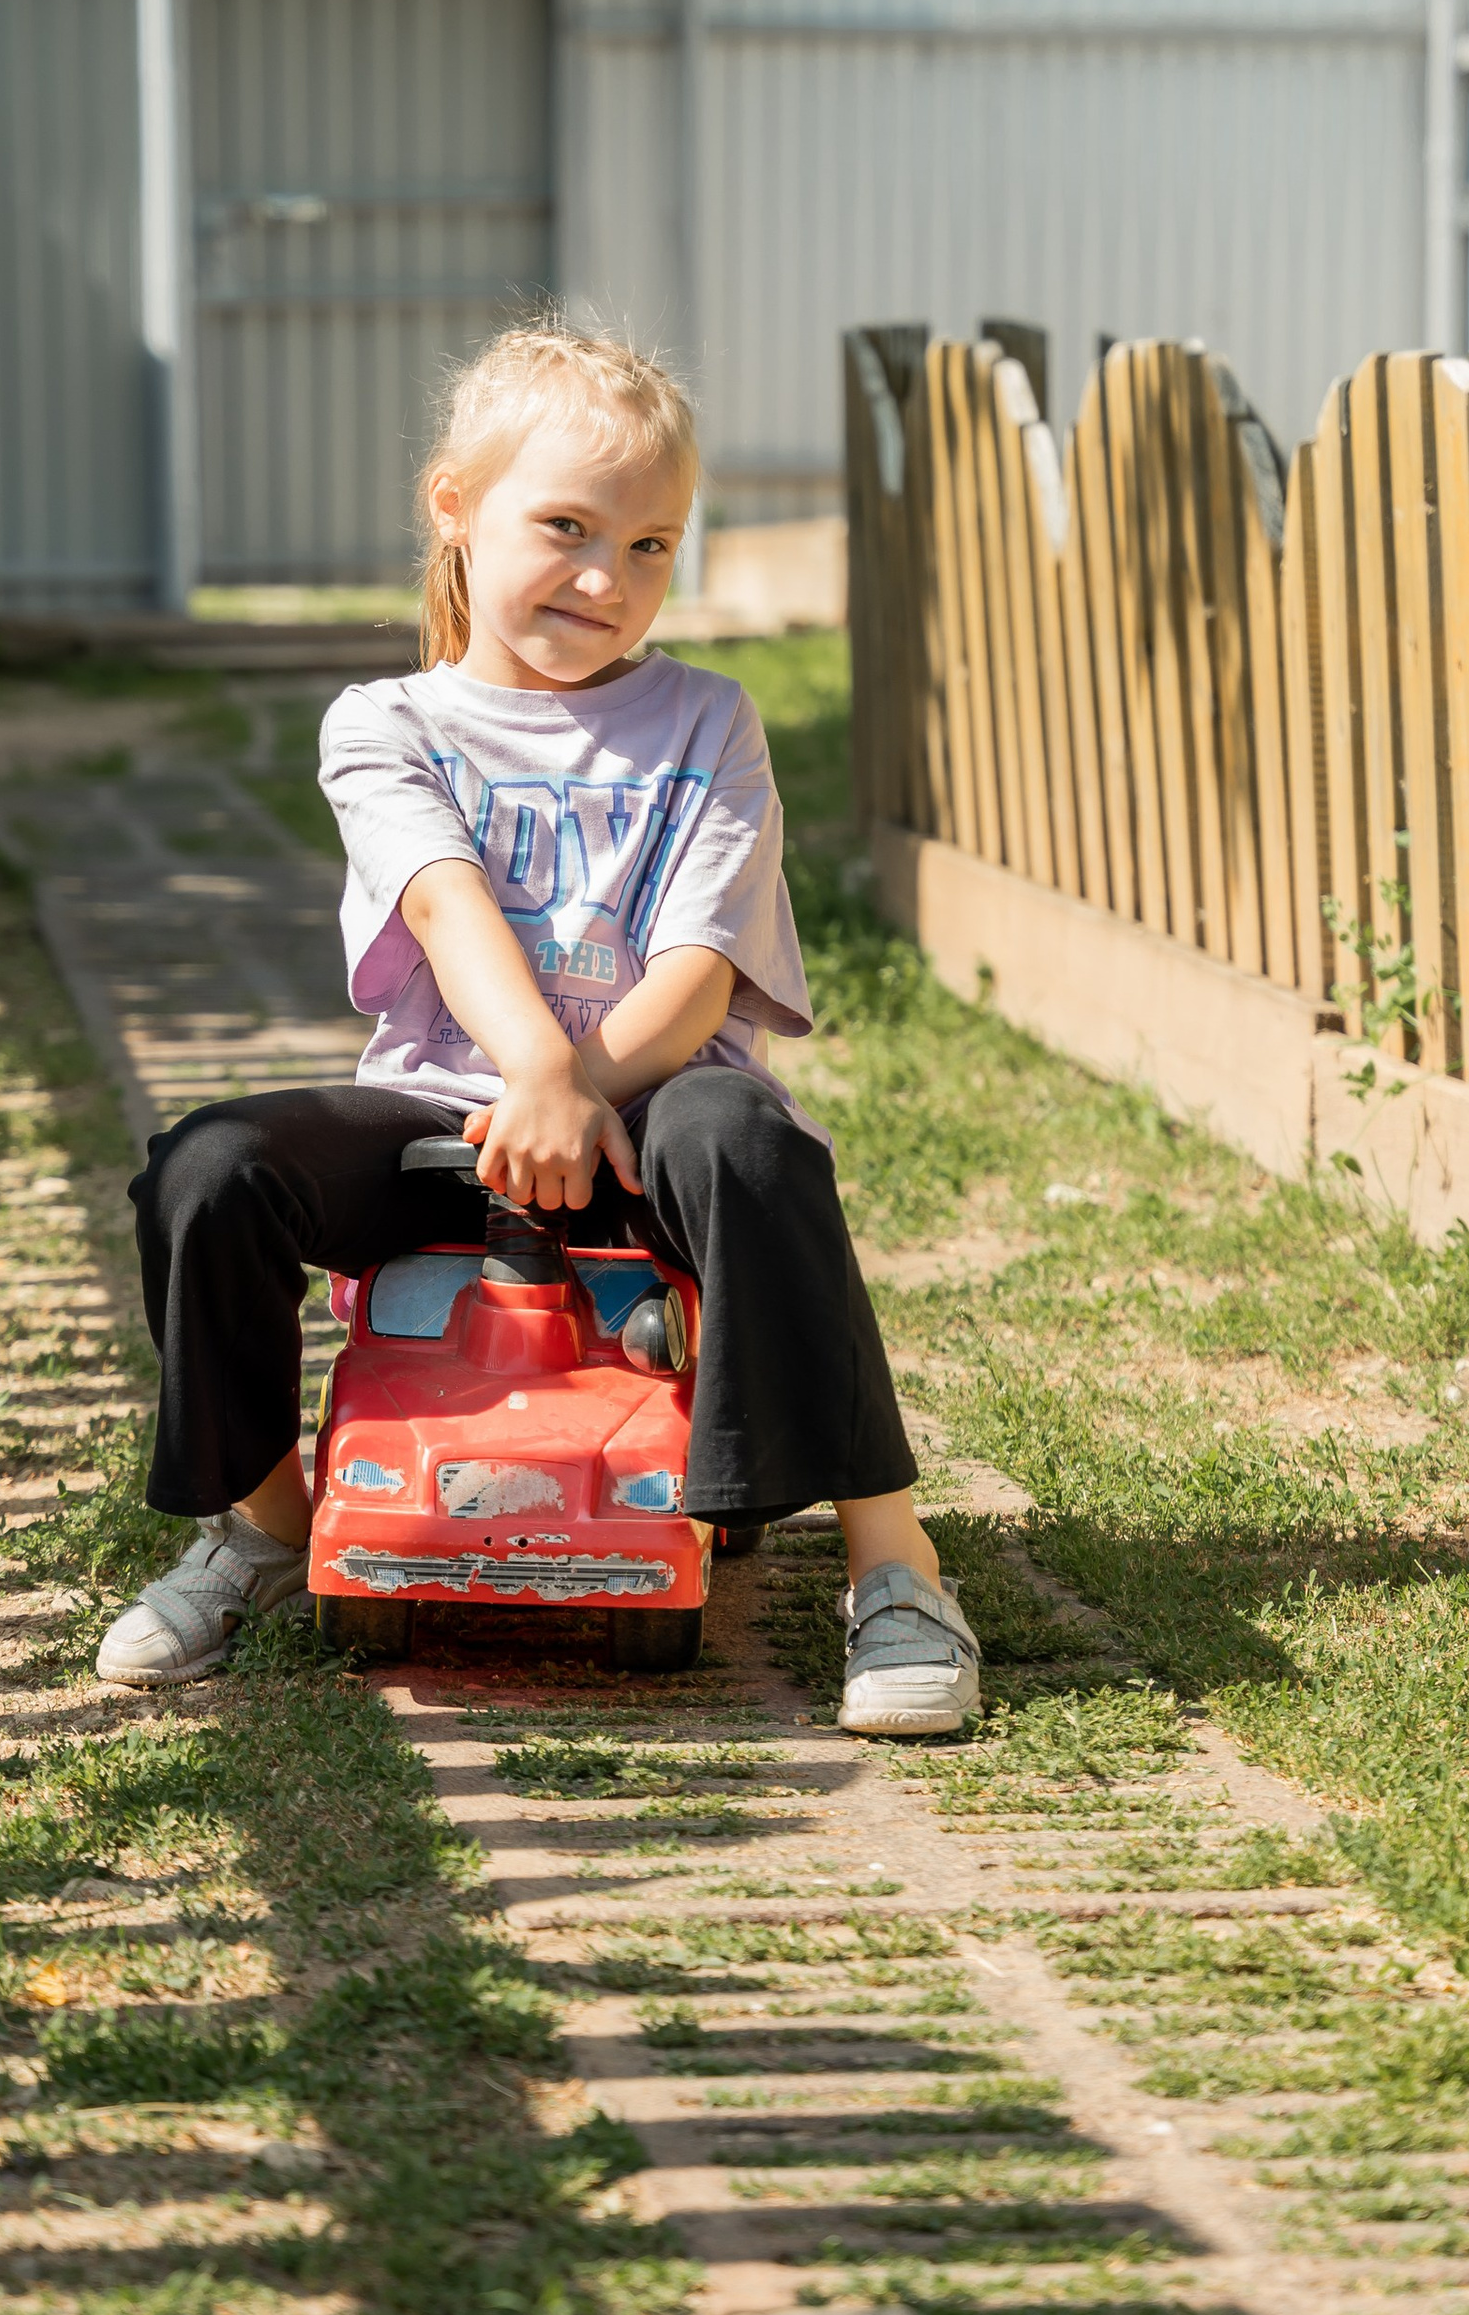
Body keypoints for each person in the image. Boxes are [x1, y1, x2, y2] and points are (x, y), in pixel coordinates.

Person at [97, 315, 981, 1739]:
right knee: (207, 1170)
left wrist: (577, 1091)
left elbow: (700, 968)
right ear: (455, 504)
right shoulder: (384, 721)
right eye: (567, 525)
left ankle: (896, 1568)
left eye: (651, 546)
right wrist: (529, 1083)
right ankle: (265, 1526)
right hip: (446, 1105)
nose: (606, 577)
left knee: (750, 1143)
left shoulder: (709, 720)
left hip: (655, 1090)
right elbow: (449, 911)